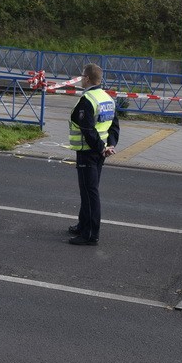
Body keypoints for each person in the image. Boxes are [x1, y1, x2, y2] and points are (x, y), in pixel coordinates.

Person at [67, 63, 120, 246]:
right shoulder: (107, 98)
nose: (81, 79)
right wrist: (110, 145)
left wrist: (100, 147)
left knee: (90, 192)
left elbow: (88, 129)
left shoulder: (87, 99)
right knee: (88, 190)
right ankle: (83, 225)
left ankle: (90, 235)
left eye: (82, 76)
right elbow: (114, 126)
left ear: (88, 78)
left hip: (88, 151)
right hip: (100, 152)